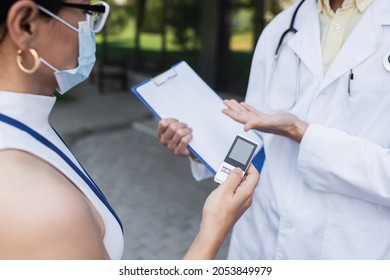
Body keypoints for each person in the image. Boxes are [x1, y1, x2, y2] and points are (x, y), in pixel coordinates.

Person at [0, 0, 259, 260]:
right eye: (88, 13)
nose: (91, 31)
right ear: (26, 25)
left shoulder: (26, 126)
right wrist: (214, 228)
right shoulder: (39, 203)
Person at [157, 0, 390, 259]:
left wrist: (301, 132)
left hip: (350, 248)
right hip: (260, 239)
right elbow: (251, 134)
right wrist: (200, 148)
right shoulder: (281, 28)